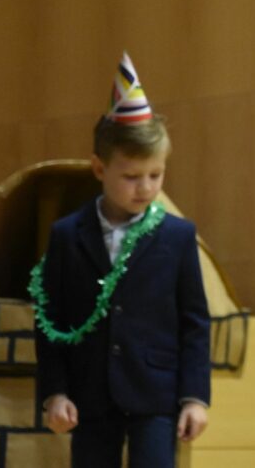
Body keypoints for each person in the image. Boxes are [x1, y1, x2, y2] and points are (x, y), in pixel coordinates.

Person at [31, 53, 210, 468]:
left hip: (156, 395)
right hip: (89, 396)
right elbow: (51, 321)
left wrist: (195, 397)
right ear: (98, 168)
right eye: (131, 176)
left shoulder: (178, 236)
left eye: (156, 174)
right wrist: (55, 393)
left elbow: (195, 323)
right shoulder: (66, 236)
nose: (145, 187)